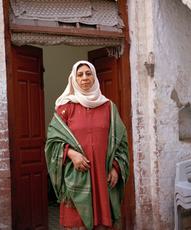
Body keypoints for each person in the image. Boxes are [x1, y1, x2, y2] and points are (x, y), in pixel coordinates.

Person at [45, 60, 129, 230]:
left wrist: (116, 168)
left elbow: (121, 142)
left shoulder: (108, 107)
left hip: (102, 176)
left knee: (103, 224)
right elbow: (52, 143)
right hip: (77, 176)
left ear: (94, 77)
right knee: (77, 225)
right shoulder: (65, 108)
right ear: (73, 78)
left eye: (88, 73)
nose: (84, 78)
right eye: (80, 74)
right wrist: (71, 154)